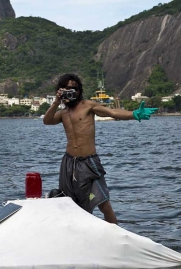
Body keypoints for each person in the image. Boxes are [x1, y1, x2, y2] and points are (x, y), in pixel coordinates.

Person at [43, 73, 158, 224]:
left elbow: (112, 112)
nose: (70, 91)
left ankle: (116, 235)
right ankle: (78, 233)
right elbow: (47, 121)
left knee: (103, 202)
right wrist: (56, 102)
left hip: (89, 163)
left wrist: (134, 114)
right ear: (60, 90)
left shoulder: (88, 106)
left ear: (79, 90)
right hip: (69, 164)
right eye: (66, 88)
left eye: (74, 88)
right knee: (70, 203)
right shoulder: (63, 113)